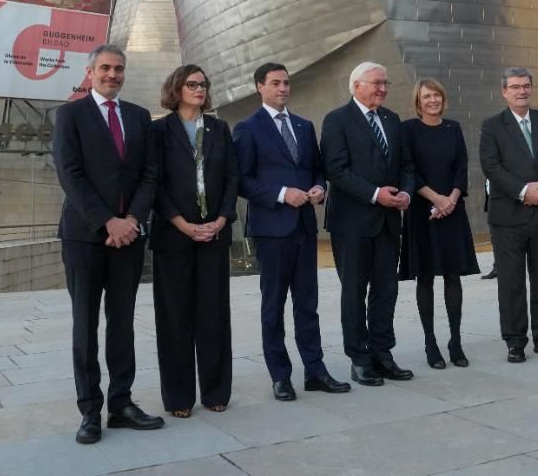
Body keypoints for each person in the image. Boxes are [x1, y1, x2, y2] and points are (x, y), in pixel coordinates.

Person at [53, 44, 163, 445]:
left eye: (118, 69)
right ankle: (89, 411)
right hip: (85, 237)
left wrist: (131, 220)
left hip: (129, 238)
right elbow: (70, 174)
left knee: (122, 322)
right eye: (105, 68)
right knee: (85, 324)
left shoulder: (138, 117)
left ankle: (121, 404)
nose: (112, 74)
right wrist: (108, 222)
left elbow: (149, 174)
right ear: (90, 72)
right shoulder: (70, 114)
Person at [234, 63, 350, 402]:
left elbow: (316, 168)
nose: (283, 88)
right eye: (275, 83)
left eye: (286, 83)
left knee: (307, 304)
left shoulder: (303, 125)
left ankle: (315, 371)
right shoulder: (248, 128)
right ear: (260, 87)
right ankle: (280, 376)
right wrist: (283, 194)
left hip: (303, 227)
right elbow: (242, 180)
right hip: (272, 229)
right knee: (273, 305)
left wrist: (318, 187)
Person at [321, 62, 416, 386]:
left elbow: (406, 164)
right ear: (356, 85)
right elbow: (336, 170)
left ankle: (382, 353)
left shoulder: (391, 120)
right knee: (354, 292)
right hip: (353, 224)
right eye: (376, 83)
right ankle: (359, 359)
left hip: (389, 223)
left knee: (386, 290)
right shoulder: (337, 120)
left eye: (385, 83)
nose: (383, 89)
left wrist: (405, 192)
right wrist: (376, 194)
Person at [152, 64, 239, 415]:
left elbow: (233, 177)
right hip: (174, 235)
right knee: (175, 317)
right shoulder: (158, 131)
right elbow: (153, 182)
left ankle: (216, 392)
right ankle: (178, 398)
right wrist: (182, 224)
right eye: (192, 84)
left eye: (203, 84)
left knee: (214, 314)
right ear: (177, 88)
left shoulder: (219, 128)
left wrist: (220, 219)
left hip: (214, 234)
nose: (200, 89)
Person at [479, 67, 538, 363]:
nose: (522, 91)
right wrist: (523, 191)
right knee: (511, 283)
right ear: (504, 91)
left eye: (526, 86)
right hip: (508, 217)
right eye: (516, 86)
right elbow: (491, 167)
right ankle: (515, 342)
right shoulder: (492, 126)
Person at [400, 78, 479, 369]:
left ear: (443, 98)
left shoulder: (453, 128)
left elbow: (461, 166)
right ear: (418, 102)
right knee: (425, 277)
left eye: (436, 95)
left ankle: (455, 341)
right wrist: (436, 199)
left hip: (452, 210)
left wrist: (451, 200)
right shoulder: (408, 130)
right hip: (422, 212)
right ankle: (430, 343)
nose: (432, 100)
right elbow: (409, 170)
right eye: (426, 96)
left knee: (452, 276)